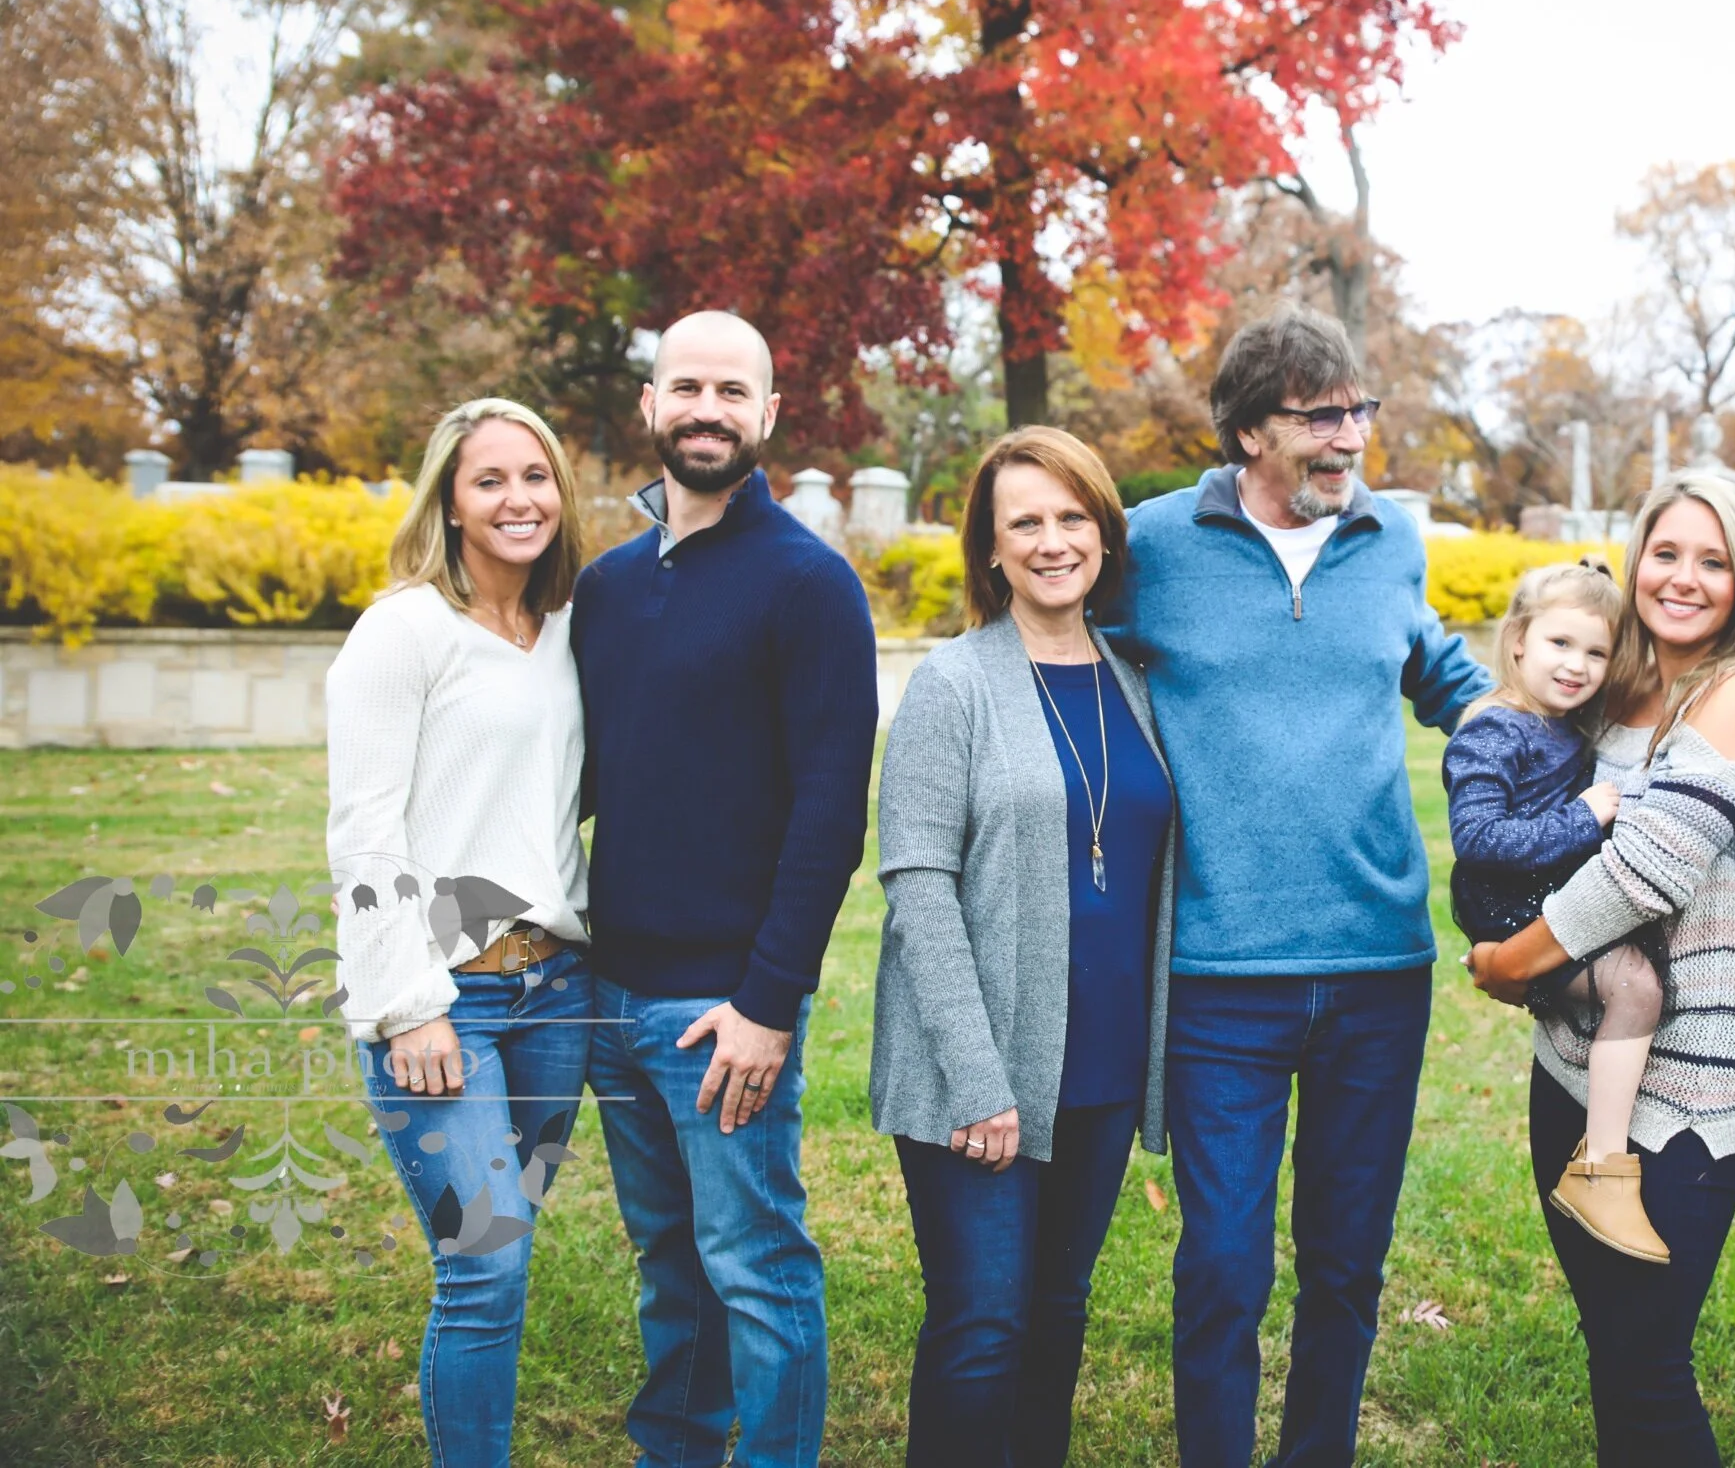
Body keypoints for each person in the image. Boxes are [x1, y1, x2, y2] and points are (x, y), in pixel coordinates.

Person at [1102, 304, 1491, 1468]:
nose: (1348, 436)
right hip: (1219, 972)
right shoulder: (1151, 547)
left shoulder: (1390, 543)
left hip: (1380, 968)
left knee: (1345, 1260)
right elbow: (1053, 655)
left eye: (1358, 410)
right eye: (1318, 416)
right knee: (1222, 1262)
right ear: (1244, 433)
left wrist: (1570, 749)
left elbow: (1448, 680)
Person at [570, 310, 879, 1468]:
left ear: (767, 416)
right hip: (609, 994)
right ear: (649, 405)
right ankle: (679, 1450)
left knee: (754, 1264)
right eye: (685, 386)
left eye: (730, 391)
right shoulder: (603, 588)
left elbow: (829, 815)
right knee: (668, 1263)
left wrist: (768, 1003)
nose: (707, 409)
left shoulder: (807, 584)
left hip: (724, 1009)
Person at [1466, 472, 1735, 1466]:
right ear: (1634, 562)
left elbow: (1638, 874)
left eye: (1713, 560)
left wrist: (1508, 963)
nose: (1685, 578)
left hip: (1690, 1090)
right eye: (1666, 553)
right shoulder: (1625, 689)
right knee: (1613, 1350)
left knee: (1647, 1360)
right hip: (1574, 1066)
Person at [873, 427, 1180, 1467]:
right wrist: (974, 1079)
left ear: (1101, 530)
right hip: (982, 1067)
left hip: (1097, 1066)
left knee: (1055, 1315)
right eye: (1025, 524)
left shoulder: (1136, 684)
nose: (1052, 541)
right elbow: (917, 884)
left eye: (1070, 517)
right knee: (982, 1328)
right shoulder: (951, 684)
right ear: (991, 550)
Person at [328, 397, 593, 1468]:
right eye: (490, 480)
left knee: (507, 1245)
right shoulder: (403, 631)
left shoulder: (570, 627)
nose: (518, 498)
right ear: (449, 498)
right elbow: (364, 829)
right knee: (480, 1263)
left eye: (535, 476)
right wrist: (409, 1007)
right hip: (449, 1002)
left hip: (556, 996)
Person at [1443, 562, 1676, 1263]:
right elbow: (1478, 838)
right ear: (1517, 641)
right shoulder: (1496, 730)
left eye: (1596, 652)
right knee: (1634, 986)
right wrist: (1583, 816)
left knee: (1640, 974)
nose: (1577, 666)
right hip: (1507, 901)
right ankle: (1602, 1166)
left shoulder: (1569, 728)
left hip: (1546, 892)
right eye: (1560, 644)